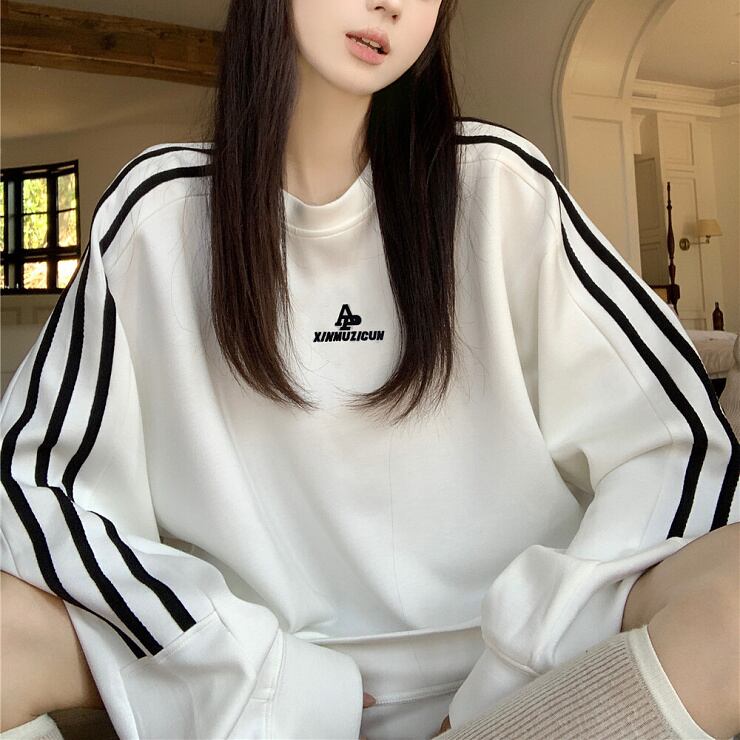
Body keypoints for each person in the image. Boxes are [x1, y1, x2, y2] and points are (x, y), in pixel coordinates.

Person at [1, 1, 738, 739]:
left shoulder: (497, 184)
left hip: (520, 690)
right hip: (263, 676)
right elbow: (35, 488)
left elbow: (680, 446)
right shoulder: (160, 214)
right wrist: (259, 673)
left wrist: (530, 653)